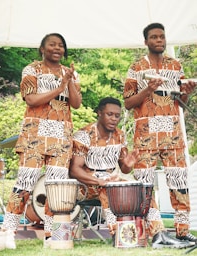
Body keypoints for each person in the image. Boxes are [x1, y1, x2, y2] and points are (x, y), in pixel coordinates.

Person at [1, 33, 82, 249]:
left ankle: (53, 236)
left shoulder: (70, 73)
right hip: (35, 133)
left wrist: (69, 82)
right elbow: (31, 99)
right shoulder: (32, 69)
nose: (57, 48)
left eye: (61, 45)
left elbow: (76, 104)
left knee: (56, 188)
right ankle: (9, 231)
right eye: (52, 45)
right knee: (25, 183)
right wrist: (58, 88)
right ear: (42, 49)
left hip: (61, 135)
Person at [123, 22, 197, 249]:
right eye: (154, 37)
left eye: (162, 37)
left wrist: (188, 93)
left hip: (173, 133)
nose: (159, 41)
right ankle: (157, 233)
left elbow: (181, 105)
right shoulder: (136, 67)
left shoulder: (175, 66)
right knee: (146, 184)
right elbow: (127, 102)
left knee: (179, 183)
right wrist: (148, 89)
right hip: (146, 134)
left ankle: (183, 233)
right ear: (146, 41)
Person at [69, 97, 137, 243]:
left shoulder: (119, 136)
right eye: (109, 114)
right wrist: (101, 181)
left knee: (136, 188)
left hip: (108, 183)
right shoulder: (84, 135)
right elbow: (74, 170)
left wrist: (128, 164)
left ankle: (154, 232)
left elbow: (124, 169)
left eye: (117, 116)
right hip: (84, 187)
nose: (114, 119)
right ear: (99, 113)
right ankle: (118, 235)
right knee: (109, 188)